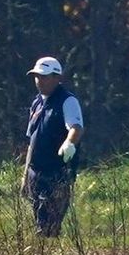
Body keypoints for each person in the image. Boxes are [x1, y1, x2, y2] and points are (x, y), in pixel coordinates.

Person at [23, 56, 84, 237]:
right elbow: (32, 141)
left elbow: (76, 127)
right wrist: (25, 174)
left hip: (57, 171)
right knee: (40, 221)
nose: (39, 81)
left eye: (44, 76)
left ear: (57, 78)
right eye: (37, 77)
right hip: (36, 171)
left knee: (52, 222)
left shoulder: (67, 100)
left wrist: (69, 143)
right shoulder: (37, 103)